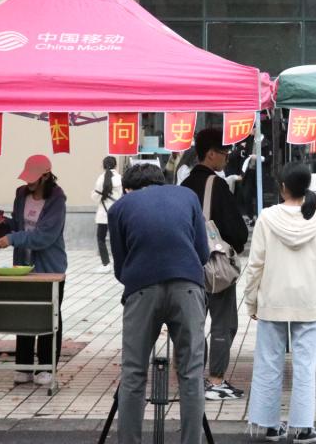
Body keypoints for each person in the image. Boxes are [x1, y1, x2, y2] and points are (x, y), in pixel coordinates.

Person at [108, 164, 209, 444]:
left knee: (134, 373)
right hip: (187, 287)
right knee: (191, 373)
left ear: (128, 188)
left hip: (142, 290)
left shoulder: (120, 207)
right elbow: (202, 252)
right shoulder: (188, 196)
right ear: (161, 181)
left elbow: (121, 265)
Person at [245, 162, 316, 443]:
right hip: (308, 301)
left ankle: (270, 426)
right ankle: (303, 428)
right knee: (305, 365)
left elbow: (255, 264)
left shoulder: (267, 217)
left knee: (268, 362)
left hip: (272, 299)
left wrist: (251, 301)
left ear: (283, 187)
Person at [181, 128, 249, 400]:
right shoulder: (216, 185)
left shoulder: (184, 186)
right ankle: (216, 380)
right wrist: (233, 248)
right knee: (223, 322)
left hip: (187, 265)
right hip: (214, 267)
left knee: (192, 323)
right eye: (224, 153)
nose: (227, 158)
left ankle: (194, 376)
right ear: (210, 154)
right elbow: (237, 231)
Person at [0, 154, 67, 387]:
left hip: (50, 267)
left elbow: (45, 236)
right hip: (22, 266)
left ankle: (46, 366)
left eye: (33, 179)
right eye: (27, 178)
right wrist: (6, 225)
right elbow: (19, 225)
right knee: (23, 312)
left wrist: (13, 238)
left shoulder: (57, 200)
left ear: (46, 176)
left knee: (49, 315)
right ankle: (24, 366)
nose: (29, 183)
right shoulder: (21, 194)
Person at [91, 156, 122, 274]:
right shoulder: (120, 178)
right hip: (116, 212)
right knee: (117, 240)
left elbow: (95, 196)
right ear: (115, 165)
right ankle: (120, 263)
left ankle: (106, 264)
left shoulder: (101, 178)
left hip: (103, 213)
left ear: (103, 165)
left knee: (101, 239)